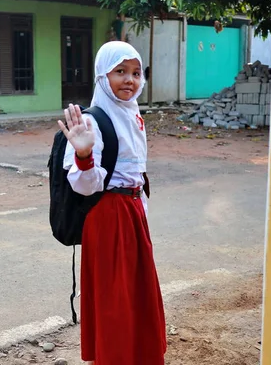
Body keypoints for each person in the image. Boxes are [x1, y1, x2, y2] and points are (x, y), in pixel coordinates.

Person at [58, 41, 166, 365]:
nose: (129, 80)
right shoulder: (91, 121)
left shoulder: (133, 115)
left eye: (135, 72)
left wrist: (141, 215)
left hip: (133, 215)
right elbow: (86, 185)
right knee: (115, 299)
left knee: (136, 293)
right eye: (119, 71)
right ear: (102, 75)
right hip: (108, 218)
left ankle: (138, 355)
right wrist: (83, 154)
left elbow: (135, 172)